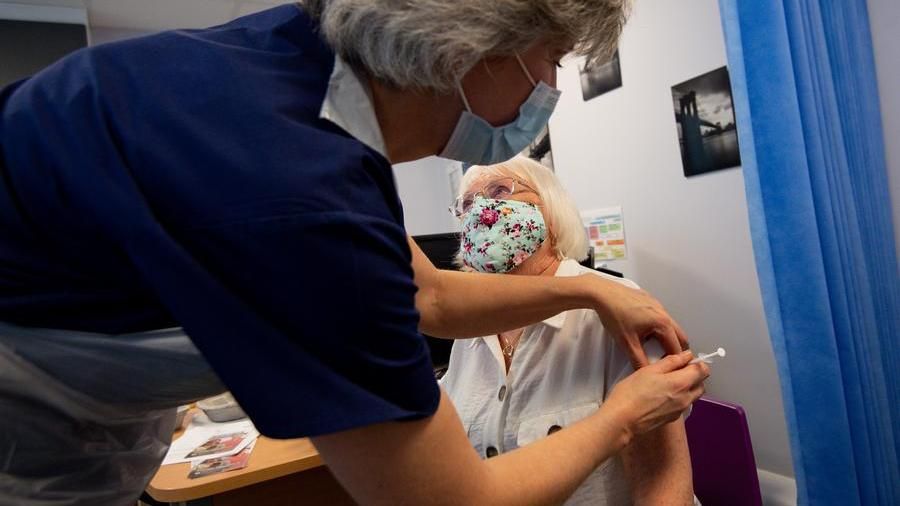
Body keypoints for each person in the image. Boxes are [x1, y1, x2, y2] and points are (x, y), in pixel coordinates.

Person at [0, 1, 709, 505]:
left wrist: (591, 288)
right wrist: (624, 416)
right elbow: (452, 500)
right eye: (551, 60)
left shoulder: (298, 69)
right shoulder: (305, 201)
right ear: (474, 49)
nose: (552, 90)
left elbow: (429, 295)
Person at [441, 156, 696, 505]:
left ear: (551, 211)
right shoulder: (468, 325)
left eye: (500, 191)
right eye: (468, 204)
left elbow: (663, 488)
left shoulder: (618, 310)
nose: (482, 211)